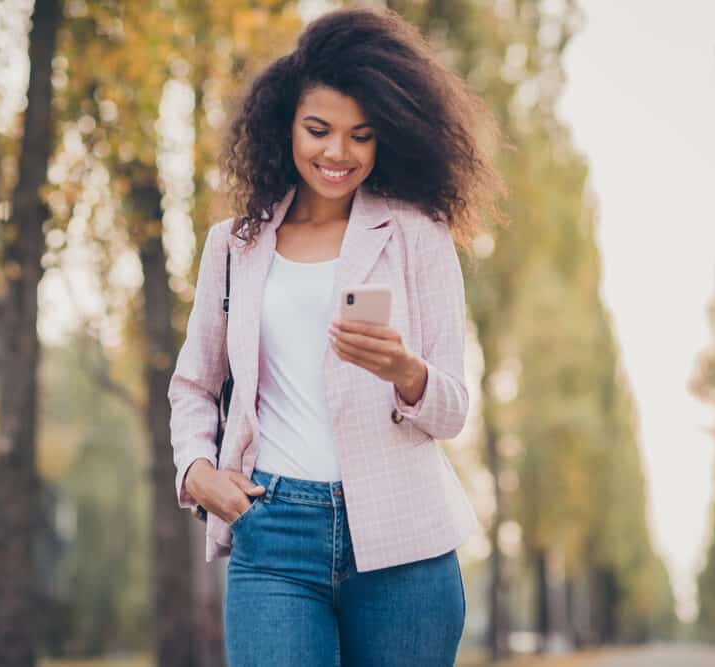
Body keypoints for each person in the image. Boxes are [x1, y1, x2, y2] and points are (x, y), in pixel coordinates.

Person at [167, 6, 505, 666]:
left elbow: (452, 408)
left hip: (404, 539)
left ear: (386, 139)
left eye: (361, 135)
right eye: (318, 129)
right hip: (274, 531)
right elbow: (193, 385)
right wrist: (195, 469)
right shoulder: (232, 246)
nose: (337, 152)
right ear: (285, 124)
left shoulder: (419, 237)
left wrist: (406, 370)